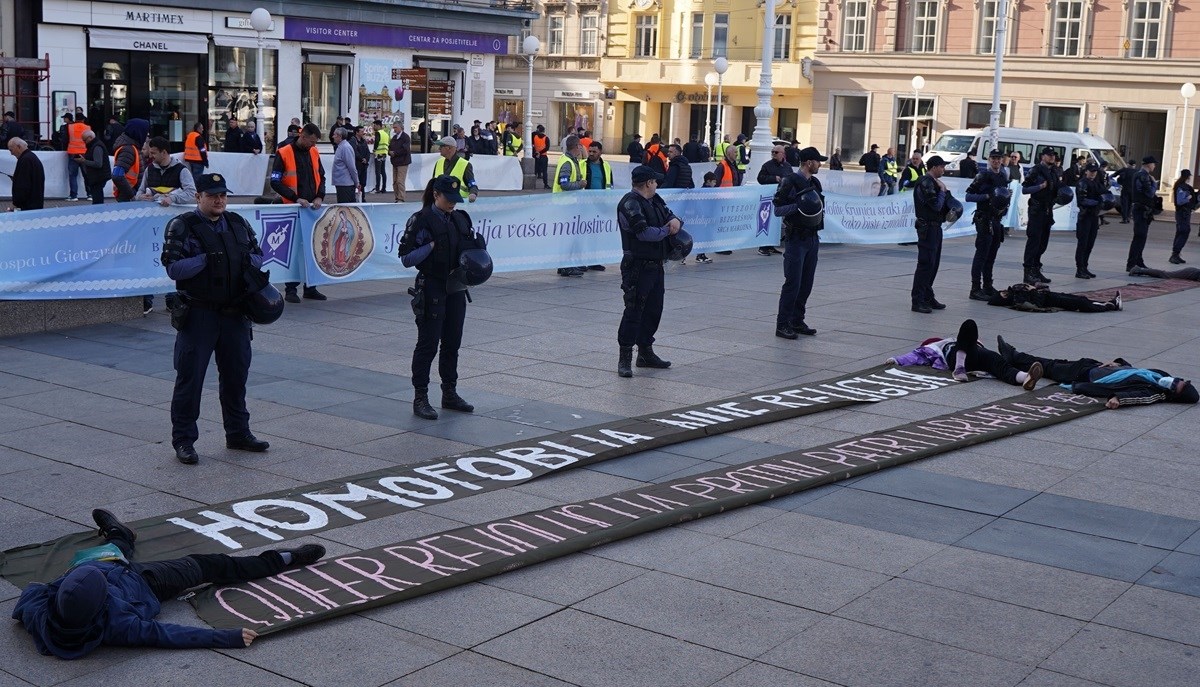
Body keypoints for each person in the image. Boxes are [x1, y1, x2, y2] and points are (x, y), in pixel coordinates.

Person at [12, 508, 326, 659]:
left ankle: (120, 534)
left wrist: (80, 576)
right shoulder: (119, 623)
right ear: (100, 606)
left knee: (116, 551)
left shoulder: (40, 607)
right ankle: (282, 559)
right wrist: (225, 637)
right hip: (143, 582)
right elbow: (167, 634)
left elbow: (26, 600)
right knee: (211, 565)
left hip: (92, 568)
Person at [160, 173, 273, 464]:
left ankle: (238, 433)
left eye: (223, 194)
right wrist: (208, 260)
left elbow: (259, 256)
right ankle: (184, 441)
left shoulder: (237, 222)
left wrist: (241, 260)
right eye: (212, 195)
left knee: (237, 378)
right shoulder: (183, 225)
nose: (219, 200)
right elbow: (174, 268)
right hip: (199, 314)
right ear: (198, 197)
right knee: (190, 380)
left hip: (236, 314)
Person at [398, 175, 488, 419]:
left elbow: (471, 249)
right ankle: (421, 398)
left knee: (452, 344)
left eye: (455, 200)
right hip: (432, 287)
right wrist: (430, 247)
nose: (452, 204)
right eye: (448, 199)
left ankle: (449, 393)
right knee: (427, 345)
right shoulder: (421, 220)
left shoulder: (460, 218)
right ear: (436, 195)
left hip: (456, 287)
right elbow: (406, 258)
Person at [995, 336, 1199, 408]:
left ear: (1175, 394)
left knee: (1050, 366)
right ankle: (1016, 360)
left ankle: (1013, 356)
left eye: (1179, 385)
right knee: (1054, 364)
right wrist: (1118, 363)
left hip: (1088, 376)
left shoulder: (1155, 391)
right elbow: (1134, 370)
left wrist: (1118, 399)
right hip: (1097, 367)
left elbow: (1135, 395)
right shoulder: (1160, 375)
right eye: (1182, 381)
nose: (1176, 381)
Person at [615, 165, 683, 377]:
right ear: (647, 184)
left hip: (656, 265)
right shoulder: (630, 203)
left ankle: (645, 352)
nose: (656, 185)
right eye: (654, 182)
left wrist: (674, 221)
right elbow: (643, 232)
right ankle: (625, 356)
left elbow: (670, 215)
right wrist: (666, 230)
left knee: (654, 310)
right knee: (634, 311)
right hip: (637, 265)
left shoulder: (655, 200)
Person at [887, 319, 1043, 390]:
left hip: (977, 355)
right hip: (955, 358)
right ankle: (959, 368)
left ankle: (1025, 377)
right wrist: (896, 360)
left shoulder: (956, 340)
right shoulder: (934, 347)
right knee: (969, 324)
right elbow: (914, 355)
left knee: (998, 362)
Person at [271, 123, 328, 303]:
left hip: (311, 208)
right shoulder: (284, 152)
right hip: (293, 208)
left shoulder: (314, 151)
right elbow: (275, 181)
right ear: (302, 136)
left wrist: (319, 196)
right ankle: (291, 289)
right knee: (294, 250)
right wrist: (295, 198)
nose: (313, 145)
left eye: (315, 143)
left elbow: (322, 176)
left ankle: (311, 287)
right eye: (311, 141)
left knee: (312, 249)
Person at [773, 147, 827, 339]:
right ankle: (783, 324)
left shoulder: (815, 182)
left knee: (806, 283)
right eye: (818, 161)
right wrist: (799, 206)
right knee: (793, 283)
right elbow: (777, 210)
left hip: (812, 237)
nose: (820, 164)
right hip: (796, 239)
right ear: (809, 163)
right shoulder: (790, 181)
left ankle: (797, 320)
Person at [964, 149, 1010, 300]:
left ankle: (988, 285)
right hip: (984, 219)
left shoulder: (1003, 176)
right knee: (982, 254)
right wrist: (986, 196)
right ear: (989, 160)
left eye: (999, 158)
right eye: (993, 158)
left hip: (996, 219)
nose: (996, 161)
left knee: (992, 254)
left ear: (1002, 160)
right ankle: (975, 288)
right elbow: (968, 196)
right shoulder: (982, 175)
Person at [910, 155, 952, 313]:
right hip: (928, 228)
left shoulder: (934, 182)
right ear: (934, 167)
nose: (944, 169)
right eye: (942, 166)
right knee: (926, 264)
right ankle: (918, 300)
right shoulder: (926, 182)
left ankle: (927, 295)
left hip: (935, 227)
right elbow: (935, 205)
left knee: (933, 264)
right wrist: (941, 191)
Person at [1021, 146, 1063, 284]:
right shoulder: (1036, 170)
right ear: (1042, 156)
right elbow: (1025, 189)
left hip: (1047, 211)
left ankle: (1036, 269)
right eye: (1049, 155)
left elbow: (1058, 188)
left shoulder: (1054, 171)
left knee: (1043, 243)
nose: (1052, 157)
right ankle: (1028, 273)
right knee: (1033, 241)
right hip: (1036, 210)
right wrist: (1040, 187)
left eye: (1053, 155)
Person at [553, 135, 588, 278]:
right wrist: (580, 184)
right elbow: (564, 184)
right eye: (581, 146)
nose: (582, 148)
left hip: (568, 205)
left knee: (568, 237)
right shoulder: (568, 162)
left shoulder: (570, 160)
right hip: (566, 205)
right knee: (568, 237)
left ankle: (564, 265)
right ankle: (566, 266)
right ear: (577, 146)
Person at [136, 136, 197, 207]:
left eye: (153, 153)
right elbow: (140, 191)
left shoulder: (182, 170)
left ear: (164, 153)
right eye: (150, 153)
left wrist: (173, 198)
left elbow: (192, 194)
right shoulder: (149, 169)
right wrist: (140, 197)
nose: (150, 156)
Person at [987, 282, 1120, 313]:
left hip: (1051, 295)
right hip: (1052, 300)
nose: (1004, 291)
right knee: (1081, 303)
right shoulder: (1018, 300)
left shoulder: (1016, 291)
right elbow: (1037, 305)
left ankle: (1110, 303)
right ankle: (1111, 305)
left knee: (1082, 299)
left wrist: (1034, 288)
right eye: (1002, 294)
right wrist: (1034, 291)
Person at [1074, 162, 1107, 278]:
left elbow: (1104, 192)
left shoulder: (1096, 183)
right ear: (1086, 171)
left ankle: (1085, 266)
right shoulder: (1082, 183)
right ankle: (1080, 269)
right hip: (1085, 216)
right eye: (1091, 171)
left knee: (1090, 243)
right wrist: (1097, 203)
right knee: (1083, 243)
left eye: (1095, 171)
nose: (1093, 173)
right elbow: (1082, 200)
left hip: (1094, 216)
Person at [1127, 155, 1159, 273]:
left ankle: (1138, 261)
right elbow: (1149, 193)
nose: (1154, 166)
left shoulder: (1140, 175)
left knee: (1141, 237)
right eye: (1153, 164)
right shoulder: (1143, 176)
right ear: (1148, 164)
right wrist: (1154, 184)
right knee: (1139, 236)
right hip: (1141, 210)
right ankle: (1132, 263)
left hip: (1142, 209)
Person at [110, 118, 148, 202]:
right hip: (129, 195)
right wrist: (132, 195)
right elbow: (117, 176)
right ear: (139, 132)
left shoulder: (131, 147)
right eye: (145, 132)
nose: (147, 135)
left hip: (129, 193)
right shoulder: (128, 149)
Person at [433, 135, 480, 203]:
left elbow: (472, 184)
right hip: (440, 204)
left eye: (441, 146)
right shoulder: (438, 162)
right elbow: (433, 184)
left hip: (458, 204)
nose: (439, 149)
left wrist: (473, 193)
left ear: (449, 148)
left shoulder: (465, 165)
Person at [6, 138, 44, 211]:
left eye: (11, 150)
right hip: (35, 203)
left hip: (27, 206)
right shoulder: (31, 157)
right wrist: (17, 178)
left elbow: (23, 186)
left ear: (19, 147)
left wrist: (15, 204)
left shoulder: (25, 160)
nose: (11, 153)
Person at [76, 130, 110, 205]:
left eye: (85, 140)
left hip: (98, 177)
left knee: (97, 199)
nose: (84, 142)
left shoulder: (96, 146)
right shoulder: (95, 145)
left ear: (90, 138)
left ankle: (98, 213)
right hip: (98, 176)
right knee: (97, 197)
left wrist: (84, 161)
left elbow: (98, 164)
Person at [1171, 170, 1197, 264]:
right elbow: (1180, 201)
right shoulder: (1182, 187)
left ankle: (1176, 254)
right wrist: (1188, 198)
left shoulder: (1183, 186)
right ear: (1188, 177)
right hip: (1182, 213)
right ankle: (1175, 254)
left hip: (1184, 213)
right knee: (1184, 231)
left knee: (1181, 231)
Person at [330, 127, 360, 203]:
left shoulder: (345, 148)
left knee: (345, 209)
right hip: (342, 183)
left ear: (340, 136)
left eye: (335, 135)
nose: (333, 136)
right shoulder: (341, 147)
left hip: (345, 185)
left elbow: (352, 167)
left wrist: (357, 182)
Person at [64, 112, 88, 201]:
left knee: (73, 175)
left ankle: (74, 195)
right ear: (83, 119)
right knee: (86, 174)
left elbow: (65, 139)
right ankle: (90, 194)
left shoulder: (70, 127)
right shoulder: (87, 127)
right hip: (84, 152)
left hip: (72, 152)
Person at [390, 118, 413, 202]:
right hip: (395, 162)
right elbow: (390, 146)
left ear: (400, 127)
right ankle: (396, 197)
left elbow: (405, 149)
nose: (394, 129)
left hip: (403, 162)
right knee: (395, 182)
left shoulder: (405, 137)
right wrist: (390, 152)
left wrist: (395, 153)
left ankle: (401, 198)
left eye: (395, 127)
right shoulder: (394, 137)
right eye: (394, 127)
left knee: (400, 181)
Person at [1116, 159, 1137, 224]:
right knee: (1130, 205)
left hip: (1125, 190)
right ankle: (1128, 217)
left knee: (1124, 204)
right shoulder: (1137, 171)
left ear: (1128, 164)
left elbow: (1116, 175)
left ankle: (1124, 218)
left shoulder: (1124, 170)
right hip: (1133, 191)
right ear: (1134, 165)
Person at [531, 124, 550, 189]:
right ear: (544, 131)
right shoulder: (546, 138)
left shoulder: (535, 137)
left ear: (538, 130)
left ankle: (532, 185)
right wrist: (540, 152)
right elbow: (547, 148)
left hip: (536, 156)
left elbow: (533, 145)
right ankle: (545, 185)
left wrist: (537, 152)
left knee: (535, 171)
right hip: (543, 156)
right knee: (544, 171)